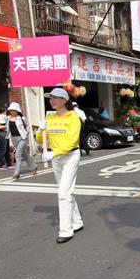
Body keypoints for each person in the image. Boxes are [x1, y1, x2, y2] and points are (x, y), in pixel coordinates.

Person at [37, 88, 83, 244]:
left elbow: (72, 142)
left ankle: (66, 230)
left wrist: (53, 154)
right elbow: (40, 139)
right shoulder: (49, 117)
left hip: (70, 156)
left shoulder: (73, 118)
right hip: (56, 158)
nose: (52, 100)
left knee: (63, 193)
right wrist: (40, 130)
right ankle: (77, 222)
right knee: (66, 191)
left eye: (56, 98)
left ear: (64, 100)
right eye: (50, 98)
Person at [5, 102, 38, 180]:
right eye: (11, 110)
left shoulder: (22, 118)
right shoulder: (7, 118)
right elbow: (8, 130)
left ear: (17, 111)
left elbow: (27, 125)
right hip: (13, 138)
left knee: (17, 155)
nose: (12, 111)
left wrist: (27, 131)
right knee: (24, 154)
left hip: (22, 138)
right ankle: (34, 167)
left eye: (14, 110)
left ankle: (16, 173)